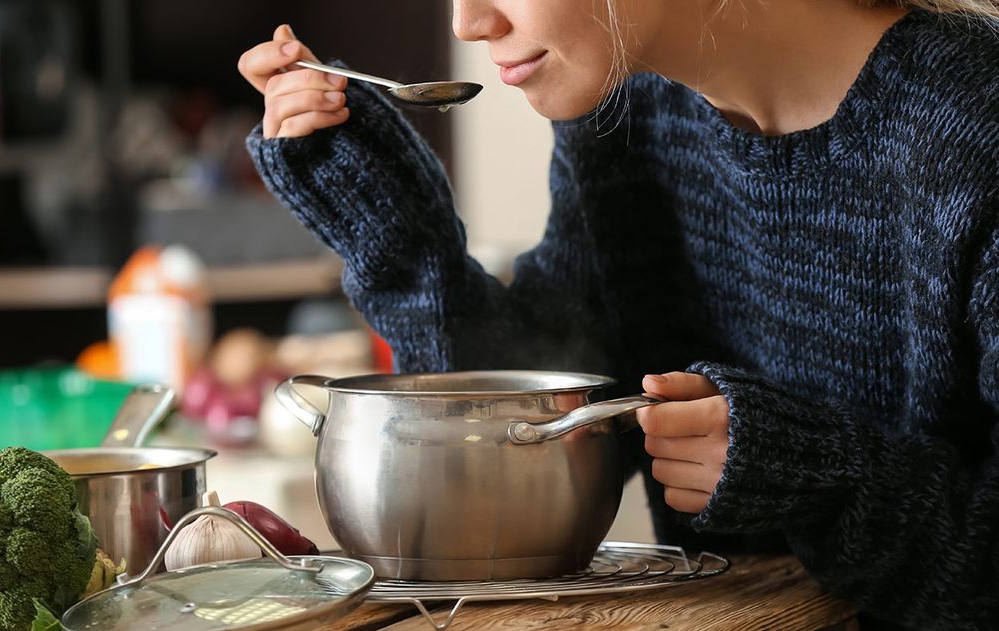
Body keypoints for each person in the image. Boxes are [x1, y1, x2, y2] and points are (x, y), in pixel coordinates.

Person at [238, 1, 999, 628]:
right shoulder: (625, 115)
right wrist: (384, 221)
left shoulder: (977, 122)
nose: (469, 23)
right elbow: (537, 426)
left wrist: (817, 474)